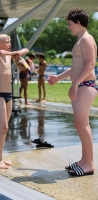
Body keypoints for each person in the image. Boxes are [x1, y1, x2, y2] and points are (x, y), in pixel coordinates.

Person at [48, 8, 97, 177]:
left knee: (80, 123)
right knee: (82, 124)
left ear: (78, 23)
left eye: (70, 24)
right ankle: (84, 161)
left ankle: (89, 164)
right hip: (82, 85)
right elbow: (76, 67)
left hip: (86, 85)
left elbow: (90, 64)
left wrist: (75, 83)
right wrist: (58, 78)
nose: (68, 27)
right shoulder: (80, 40)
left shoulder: (87, 39)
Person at [0, 34, 29, 169]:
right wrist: (13, 52)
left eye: (10, 42)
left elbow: (26, 50)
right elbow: (1, 52)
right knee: (4, 126)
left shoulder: (9, 56)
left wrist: (18, 53)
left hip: (9, 95)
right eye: (7, 42)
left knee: (5, 129)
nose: (9, 44)